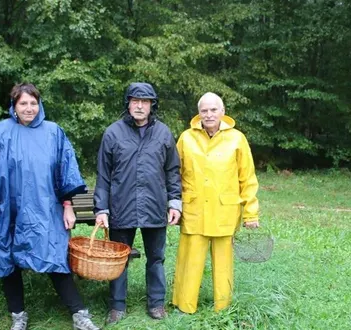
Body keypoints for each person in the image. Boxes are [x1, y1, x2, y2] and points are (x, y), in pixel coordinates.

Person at [0, 83, 100, 330]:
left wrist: (68, 206)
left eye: (33, 103)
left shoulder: (53, 133)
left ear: (40, 104)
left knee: (56, 257)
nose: (29, 108)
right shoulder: (1, 132)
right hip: (9, 211)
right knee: (8, 261)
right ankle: (18, 316)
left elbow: (65, 172)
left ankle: (80, 315)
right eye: (23, 103)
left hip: (46, 210)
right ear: (14, 106)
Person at [93, 82, 182, 324]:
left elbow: (173, 170)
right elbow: (103, 175)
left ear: (152, 105)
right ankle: (117, 306)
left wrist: (174, 202)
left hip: (154, 206)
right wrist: (101, 208)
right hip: (121, 206)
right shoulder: (113, 133)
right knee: (119, 259)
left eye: (145, 101)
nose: (140, 106)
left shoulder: (163, 133)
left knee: (156, 258)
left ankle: (156, 304)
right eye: (135, 101)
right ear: (128, 104)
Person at [172, 92, 260, 314]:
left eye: (213, 110)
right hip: (194, 209)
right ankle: (184, 305)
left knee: (223, 264)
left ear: (223, 111)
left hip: (224, 211)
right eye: (204, 110)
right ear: (198, 113)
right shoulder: (186, 138)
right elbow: (174, 174)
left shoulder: (237, 139)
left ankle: (223, 307)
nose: (209, 115)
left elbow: (247, 177)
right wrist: (174, 204)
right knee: (189, 260)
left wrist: (251, 213)